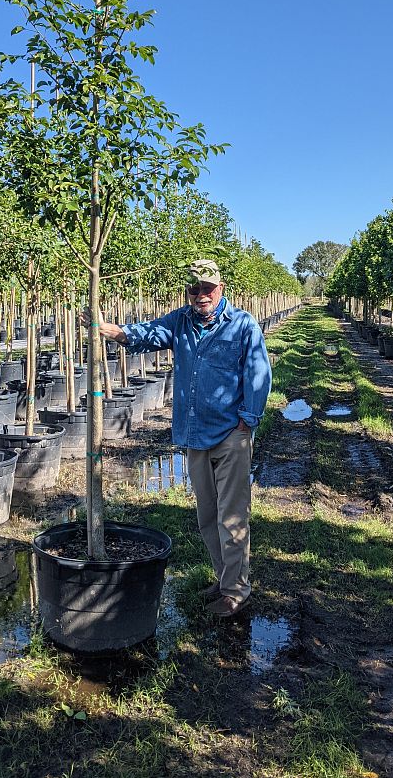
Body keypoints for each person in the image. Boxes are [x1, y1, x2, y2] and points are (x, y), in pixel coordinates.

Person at [93, 259, 272, 618]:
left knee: (232, 515)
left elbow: (258, 374)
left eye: (208, 288)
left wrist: (247, 422)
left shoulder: (242, 325)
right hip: (195, 435)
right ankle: (224, 579)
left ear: (221, 288)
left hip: (230, 434)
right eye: (195, 289)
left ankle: (237, 591)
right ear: (187, 291)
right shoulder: (180, 321)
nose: (201, 295)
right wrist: (110, 330)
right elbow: (146, 334)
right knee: (207, 514)